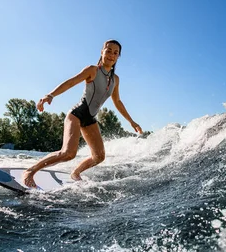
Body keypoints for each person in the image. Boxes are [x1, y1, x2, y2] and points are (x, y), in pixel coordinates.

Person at [21, 39, 143, 188]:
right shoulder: (93, 70)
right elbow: (71, 82)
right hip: (76, 114)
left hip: (90, 119)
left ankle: (76, 173)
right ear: (102, 52)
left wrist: (132, 122)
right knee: (68, 153)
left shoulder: (115, 80)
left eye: (115, 52)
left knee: (99, 157)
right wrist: (50, 95)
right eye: (108, 50)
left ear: (118, 57)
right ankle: (30, 171)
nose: (111, 54)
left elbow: (117, 102)